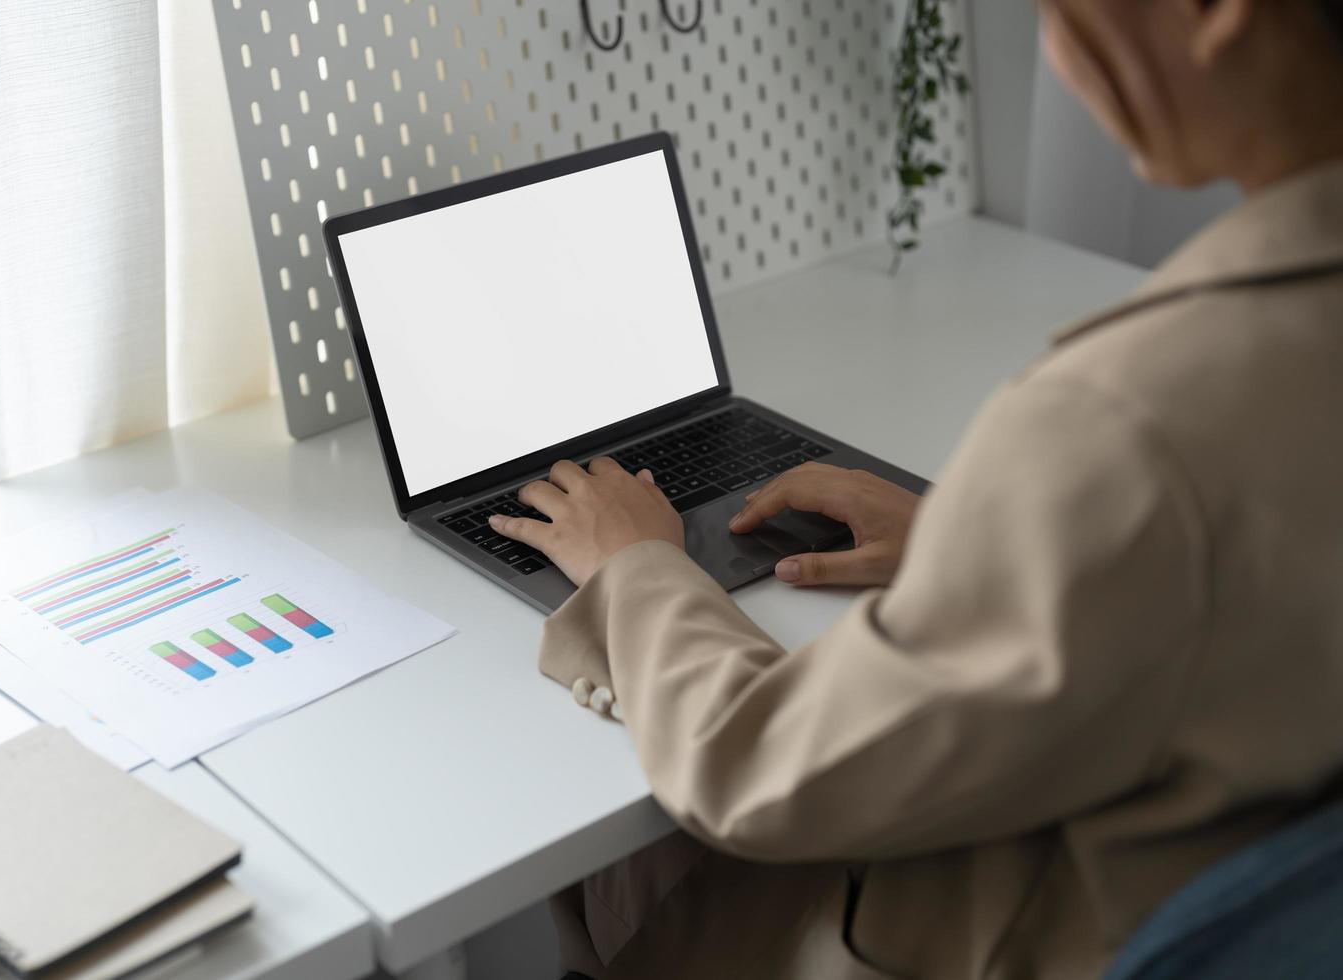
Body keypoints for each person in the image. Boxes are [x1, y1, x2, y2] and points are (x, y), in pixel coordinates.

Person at [488, 0, 1343, 976]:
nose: (1060, 55)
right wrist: (981, 545)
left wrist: (635, 563)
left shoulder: (1131, 423)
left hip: (1009, 930)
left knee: (600, 847)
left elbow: (759, 768)